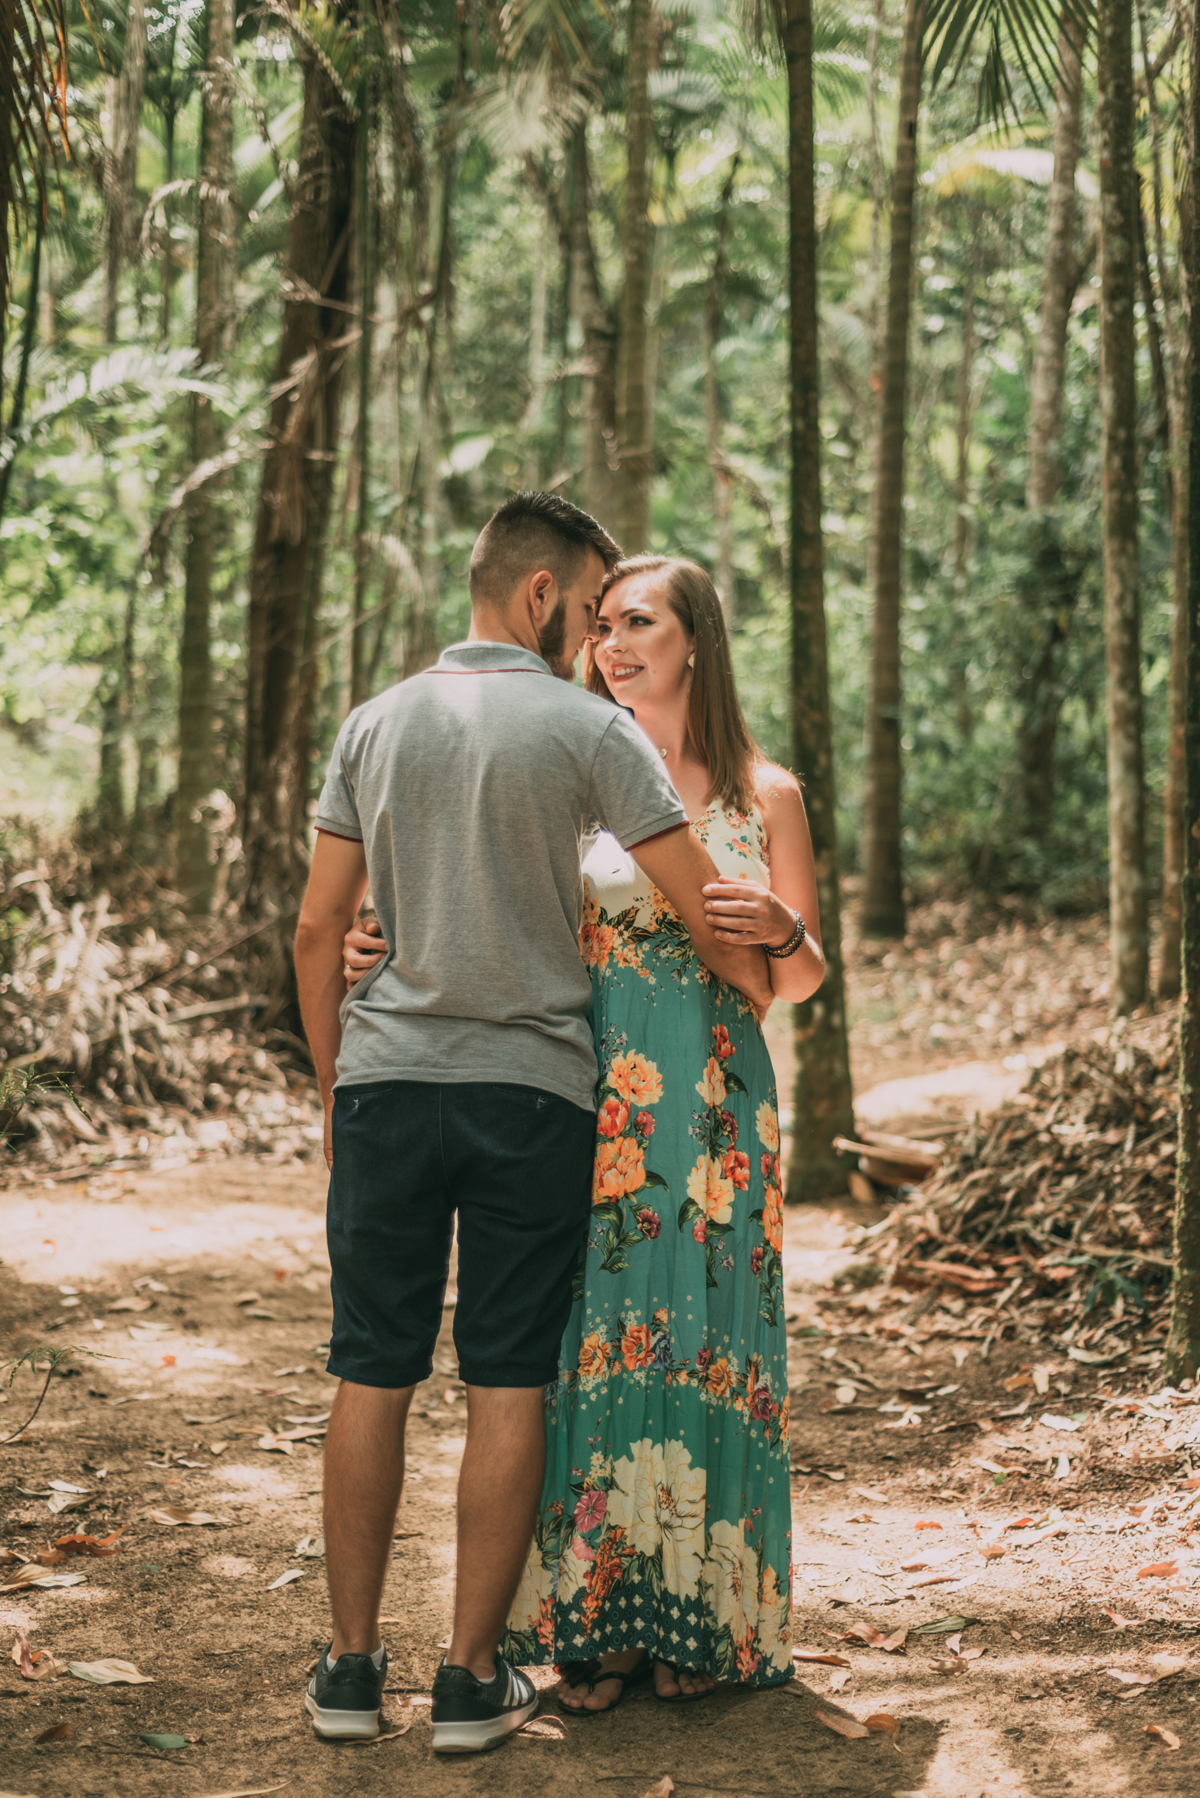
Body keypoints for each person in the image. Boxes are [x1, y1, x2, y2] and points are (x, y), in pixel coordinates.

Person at [293, 494, 773, 1753]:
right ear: (545, 596)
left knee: (370, 1366)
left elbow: (314, 929)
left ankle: (348, 1675)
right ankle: (465, 1684)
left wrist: (336, 1085)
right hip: (533, 1096)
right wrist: (772, 961)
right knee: (508, 1378)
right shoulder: (585, 729)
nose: (598, 636)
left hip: (387, 1082)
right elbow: (698, 900)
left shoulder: (374, 721)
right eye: (593, 603)